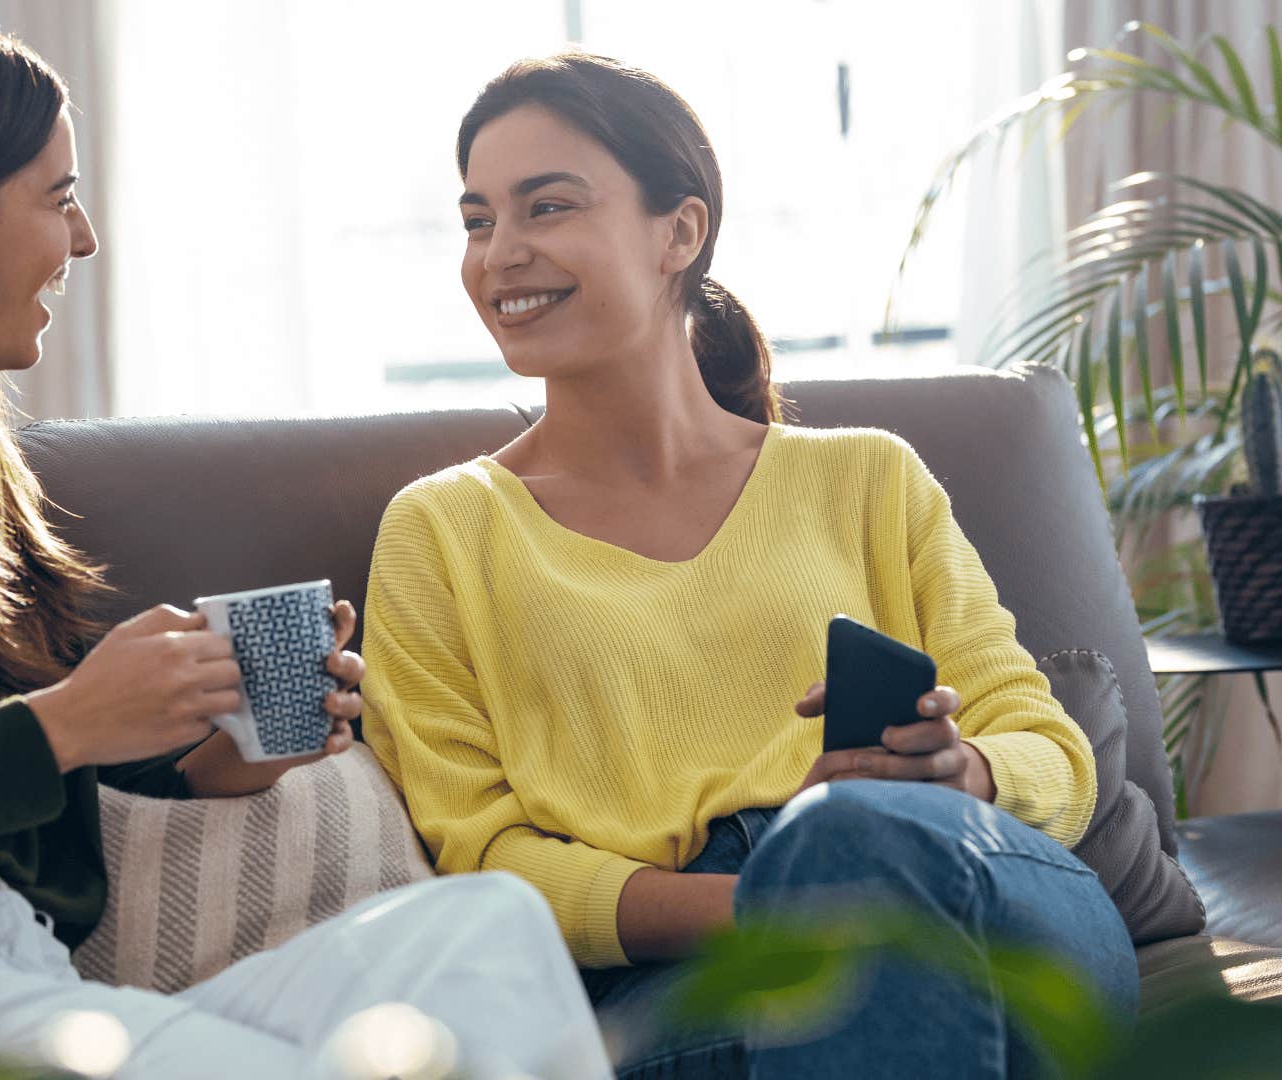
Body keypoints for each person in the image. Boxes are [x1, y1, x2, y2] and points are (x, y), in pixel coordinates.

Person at [0, 26, 609, 1080]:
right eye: (56, 197)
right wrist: (62, 724)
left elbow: (17, 772)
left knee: (487, 933)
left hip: (17, 972)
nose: (86, 237)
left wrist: (219, 758)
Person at [360, 51, 1137, 1079]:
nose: (499, 253)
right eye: (476, 220)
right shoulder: (443, 531)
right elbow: (481, 856)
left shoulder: (869, 478)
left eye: (545, 207)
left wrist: (972, 771)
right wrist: (786, 906)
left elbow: (1051, 748)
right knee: (862, 920)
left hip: (977, 883)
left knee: (863, 837)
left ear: (679, 231)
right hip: (693, 961)